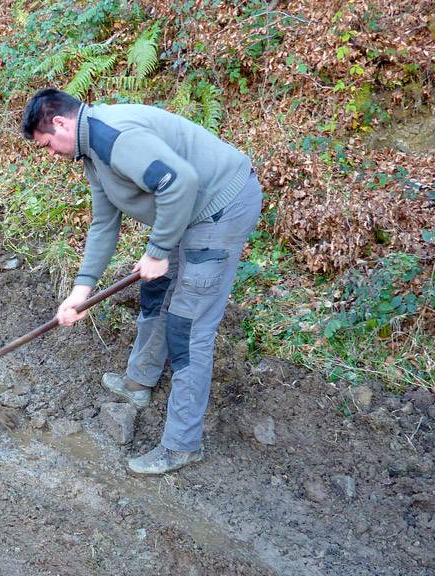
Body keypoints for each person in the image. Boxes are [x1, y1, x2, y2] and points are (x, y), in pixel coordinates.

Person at [20, 88, 263, 475]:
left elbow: (179, 181)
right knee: (157, 289)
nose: (51, 154)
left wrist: (158, 250)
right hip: (192, 214)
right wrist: (79, 293)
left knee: (189, 326)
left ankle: (181, 445)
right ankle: (139, 381)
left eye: (48, 144)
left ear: (61, 123)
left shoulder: (113, 137)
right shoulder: (92, 152)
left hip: (221, 209)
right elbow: (103, 223)